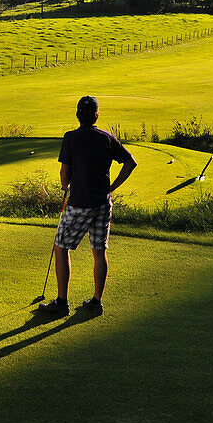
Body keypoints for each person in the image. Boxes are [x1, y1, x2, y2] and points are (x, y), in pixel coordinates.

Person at [40, 95, 137, 318]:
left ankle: (62, 302)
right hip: (103, 202)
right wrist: (111, 187)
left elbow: (65, 172)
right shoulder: (107, 137)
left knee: (61, 247)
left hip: (80, 202)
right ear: (96, 115)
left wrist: (66, 185)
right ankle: (96, 302)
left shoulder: (71, 137)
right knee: (99, 250)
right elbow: (130, 162)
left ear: (77, 115)